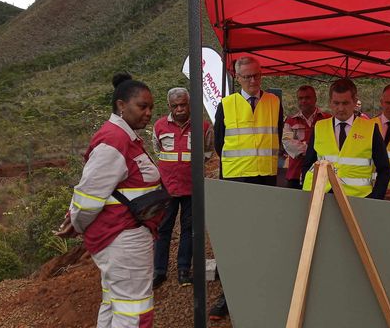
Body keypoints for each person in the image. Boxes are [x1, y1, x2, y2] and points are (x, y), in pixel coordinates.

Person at [56, 73, 161, 328]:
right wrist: (76, 223)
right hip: (123, 238)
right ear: (121, 106)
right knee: (134, 311)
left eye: (151, 108)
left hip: (124, 236)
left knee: (115, 303)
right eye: (142, 106)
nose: (148, 113)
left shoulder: (124, 137)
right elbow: (89, 194)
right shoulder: (114, 140)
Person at [211, 56, 284, 320]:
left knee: (263, 236)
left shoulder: (274, 102)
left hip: (265, 180)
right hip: (237, 181)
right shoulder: (226, 105)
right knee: (237, 239)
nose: (253, 81)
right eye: (247, 77)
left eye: (257, 75)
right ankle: (229, 296)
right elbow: (220, 144)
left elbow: (277, 132)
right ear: (237, 77)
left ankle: (263, 291)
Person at [152, 88, 213, 289]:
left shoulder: (203, 127)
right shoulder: (159, 126)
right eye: (175, 105)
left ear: (190, 103)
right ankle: (159, 271)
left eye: (183, 104)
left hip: (192, 187)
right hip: (167, 187)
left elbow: (207, 152)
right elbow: (157, 149)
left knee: (188, 229)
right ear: (169, 106)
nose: (179, 109)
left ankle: (183, 270)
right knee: (163, 229)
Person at [301, 78, 390, 199]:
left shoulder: (370, 129)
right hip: (323, 197)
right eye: (336, 103)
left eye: (345, 103)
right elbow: (308, 165)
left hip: (359, 198)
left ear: (355, 102)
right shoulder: (319, 127)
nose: (340, 108)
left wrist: (375, 199)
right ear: (330, 102)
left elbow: (384, 169)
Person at [282, 85, 330, 189]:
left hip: (322, 175)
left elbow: (331, 144)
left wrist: (303, 148)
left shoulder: (328, 120)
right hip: (295, 175)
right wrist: (313, 150)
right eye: (300, 98)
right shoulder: (290, 121)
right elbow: (287, 143)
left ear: (315, 99)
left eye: (307, 98)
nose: (303, 101)